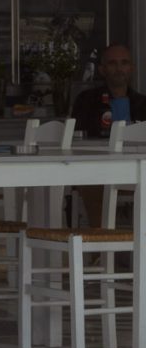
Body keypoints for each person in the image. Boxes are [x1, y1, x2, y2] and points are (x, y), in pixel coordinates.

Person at [71, 44, 146, 226]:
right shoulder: (87, 100)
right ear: (102, 70)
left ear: (131, 68)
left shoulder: (142, 103)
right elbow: (77, 138)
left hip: (137, 171)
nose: (119, 68)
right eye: (112, 63)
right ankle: (101, 251)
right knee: (92, 184)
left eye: (124, 63)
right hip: (98, 169)